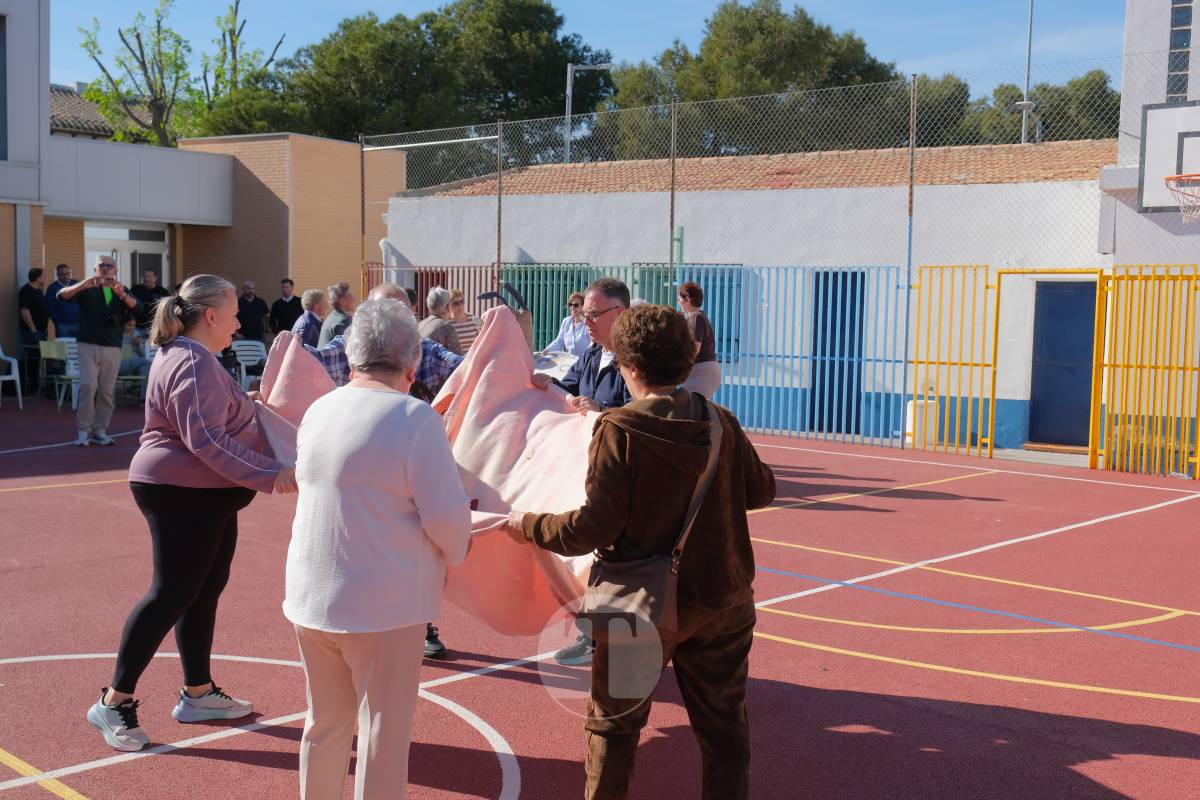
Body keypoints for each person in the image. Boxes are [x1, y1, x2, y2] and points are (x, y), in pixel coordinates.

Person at [506, 305, 775, 800]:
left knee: (615, 727)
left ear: (628, 365)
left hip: (637, 606)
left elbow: (592, 527)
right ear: (686, 360)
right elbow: (762, 491)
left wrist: (529, 526)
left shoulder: (619, 428)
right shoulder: (720, 422)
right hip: (722, 598)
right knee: (724, 729)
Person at [86, 274, 297, 753]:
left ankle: (198, 693)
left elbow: (209, 418)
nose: (239, 323)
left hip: (202, 493)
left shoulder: (193, 357)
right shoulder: (192, 361)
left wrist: (247, 404)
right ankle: (114, 701)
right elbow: (205, 439)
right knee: (172, 593)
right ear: (211, 316)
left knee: (202, 591)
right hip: (181, 491)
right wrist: (273, 473)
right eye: (234, 315)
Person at [284, 297, 471, 800]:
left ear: (352, 355)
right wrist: (462, 547)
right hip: (384, 606)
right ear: (412, 362)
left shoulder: (320, 409)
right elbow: (447, 518)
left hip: (312, 595)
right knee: (383, 736)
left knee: (324, 725)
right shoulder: (415, 417)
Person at [529, 277, 633, 666]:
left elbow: (644, 411)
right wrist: (548, 383)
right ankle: (597, 637)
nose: (584, 321)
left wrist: (604, 412)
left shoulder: (634, 362)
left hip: (621, 477)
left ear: (619, 313)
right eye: (583, 314)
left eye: (593, 314)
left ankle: (604, 640)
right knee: (592, 558)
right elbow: (566, 386)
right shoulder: (591, 355)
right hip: (589, 474)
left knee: (611, 560)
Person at [57, 256, 143, 447]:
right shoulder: (87, 288)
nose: (105, 268)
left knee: (106, 391)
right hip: (88, 344)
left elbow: (139, 309)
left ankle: (100, 430)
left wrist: (123, 295)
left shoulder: (121, 289)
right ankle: (83, 431)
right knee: (88, 386)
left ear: (115, 270)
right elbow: (61, 296)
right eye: (101, 265)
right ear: (95, 269)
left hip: (112, 346)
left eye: (109, 266)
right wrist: (81, 285)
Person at [678, 282, 721, 399]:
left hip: (701, 371)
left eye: (680, 299)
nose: (678, 302)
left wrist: (680, 367)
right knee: (697, 406)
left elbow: (695, 348)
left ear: (687, 300)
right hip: (705, 371)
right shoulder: (699, 316)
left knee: (691, 406)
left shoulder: (695, 317)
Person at [541, 291, 590, 358]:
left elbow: (593, 345)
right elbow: (559, 342)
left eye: (576, 305)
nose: (572, 308)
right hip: (569, 361)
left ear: (583, 307)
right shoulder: (566, 321)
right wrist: (547, 350)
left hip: (585, 361)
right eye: (570, 305)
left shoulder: (587, 323)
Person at [417, 286, 464, 355]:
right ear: (446, 306)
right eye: (452, 303)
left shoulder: (421, 324)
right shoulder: (446, 327)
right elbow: (458, 357)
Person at [45, 263, 81, 339]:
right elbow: (50, 307)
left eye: (68, 273)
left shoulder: (76, 284)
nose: (66, 276)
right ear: (57, 275)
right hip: (62, 326)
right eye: (63, 274)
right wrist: (57, 322)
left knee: (79, 345)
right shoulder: (52, 288)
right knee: (64, 345)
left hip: (78, 324)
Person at [130, 268, 170, 337]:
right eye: (145, 276)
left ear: (155, 278)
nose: (146, 279)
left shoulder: (162, 292)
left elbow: (168, 308)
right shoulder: (135, 289)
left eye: (149, 277)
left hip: (155, 328)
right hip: (137, 327)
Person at [319, 282, 357, 346]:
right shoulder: (343, 320)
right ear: (341, 300)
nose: (354, 299)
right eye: (350, 296)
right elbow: (350, 347)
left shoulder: (332, 316)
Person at [119, 319, 151, 384]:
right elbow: (126, 357)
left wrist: (139, 345)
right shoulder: (120, 335)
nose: (132, 327)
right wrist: (128, 342)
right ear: (123, 325)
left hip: (135, 364)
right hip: (124, 365)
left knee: (144, 369)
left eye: (134, 325)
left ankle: (144, 391)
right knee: (148, 360)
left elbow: (142, 354)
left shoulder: (136, 334)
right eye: (129, 325)